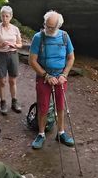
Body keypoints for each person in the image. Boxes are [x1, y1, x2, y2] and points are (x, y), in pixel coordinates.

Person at [28, 10, 75, 150]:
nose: (47, 29)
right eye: (46, 26)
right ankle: (41, 134)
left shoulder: (65, 37)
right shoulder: (38, 37)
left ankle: (61, 132)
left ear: (58, 26)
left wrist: (64, 74)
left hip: (61, 77)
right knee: (43, 106)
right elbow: (32, 60)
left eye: (51, 27)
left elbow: (71, 57)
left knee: (60, 106)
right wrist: (45, 75)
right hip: (44, 78)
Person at [0, 6, 23, 115]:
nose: (4, 18)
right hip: (1, 55)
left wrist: (14, 45)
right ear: (0, 16)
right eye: (2, 16)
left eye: (7, 16)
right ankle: (3, 102)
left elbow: (20, 44)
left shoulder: (15, 29)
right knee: (2, 81)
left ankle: (14, 101)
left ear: (11, 17)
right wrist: (1, 44)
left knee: (12, 80)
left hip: (13, 54)